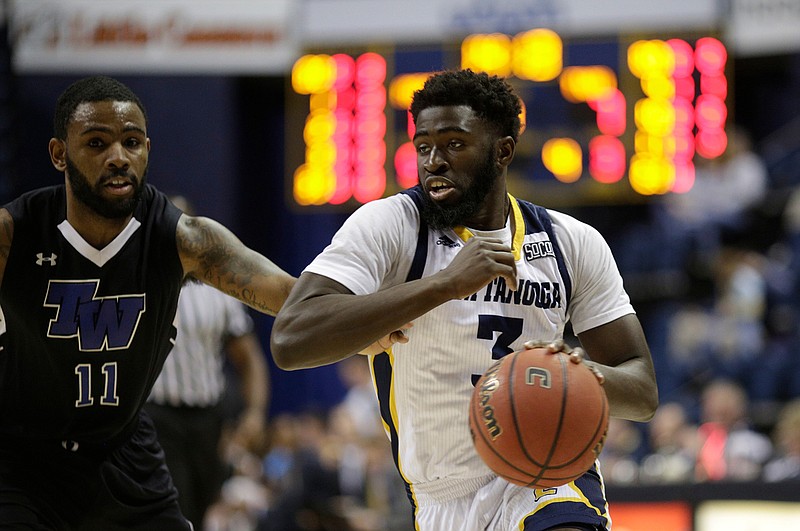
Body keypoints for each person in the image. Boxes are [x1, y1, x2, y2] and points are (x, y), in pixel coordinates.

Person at [271, 69, 659, 531]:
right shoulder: (389, 225)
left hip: (546, 474)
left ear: (503, 151)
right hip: (439, 495)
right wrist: (445, 285)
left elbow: (642, 391)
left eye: (454, 144)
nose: (434, 160)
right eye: (424, 146)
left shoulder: (571, 242)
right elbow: (291, 339)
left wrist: (574, 378)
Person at [0, 76, 295, 530]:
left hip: (124, 450)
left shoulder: (182, 239)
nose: (118, 157)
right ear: (59, 154)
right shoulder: (14, 234)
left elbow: (291, 297)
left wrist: (384, 314)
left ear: (147, 149)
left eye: (131, 142)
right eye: (96, 143)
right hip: (21, 459)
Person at [145, 195, 271, 529]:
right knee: (175, 506)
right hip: (158, 416)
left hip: (208, 418)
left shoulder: (218, 289)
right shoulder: (143, 283)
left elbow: (249, 359)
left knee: (202, 505)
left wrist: (255, 413)